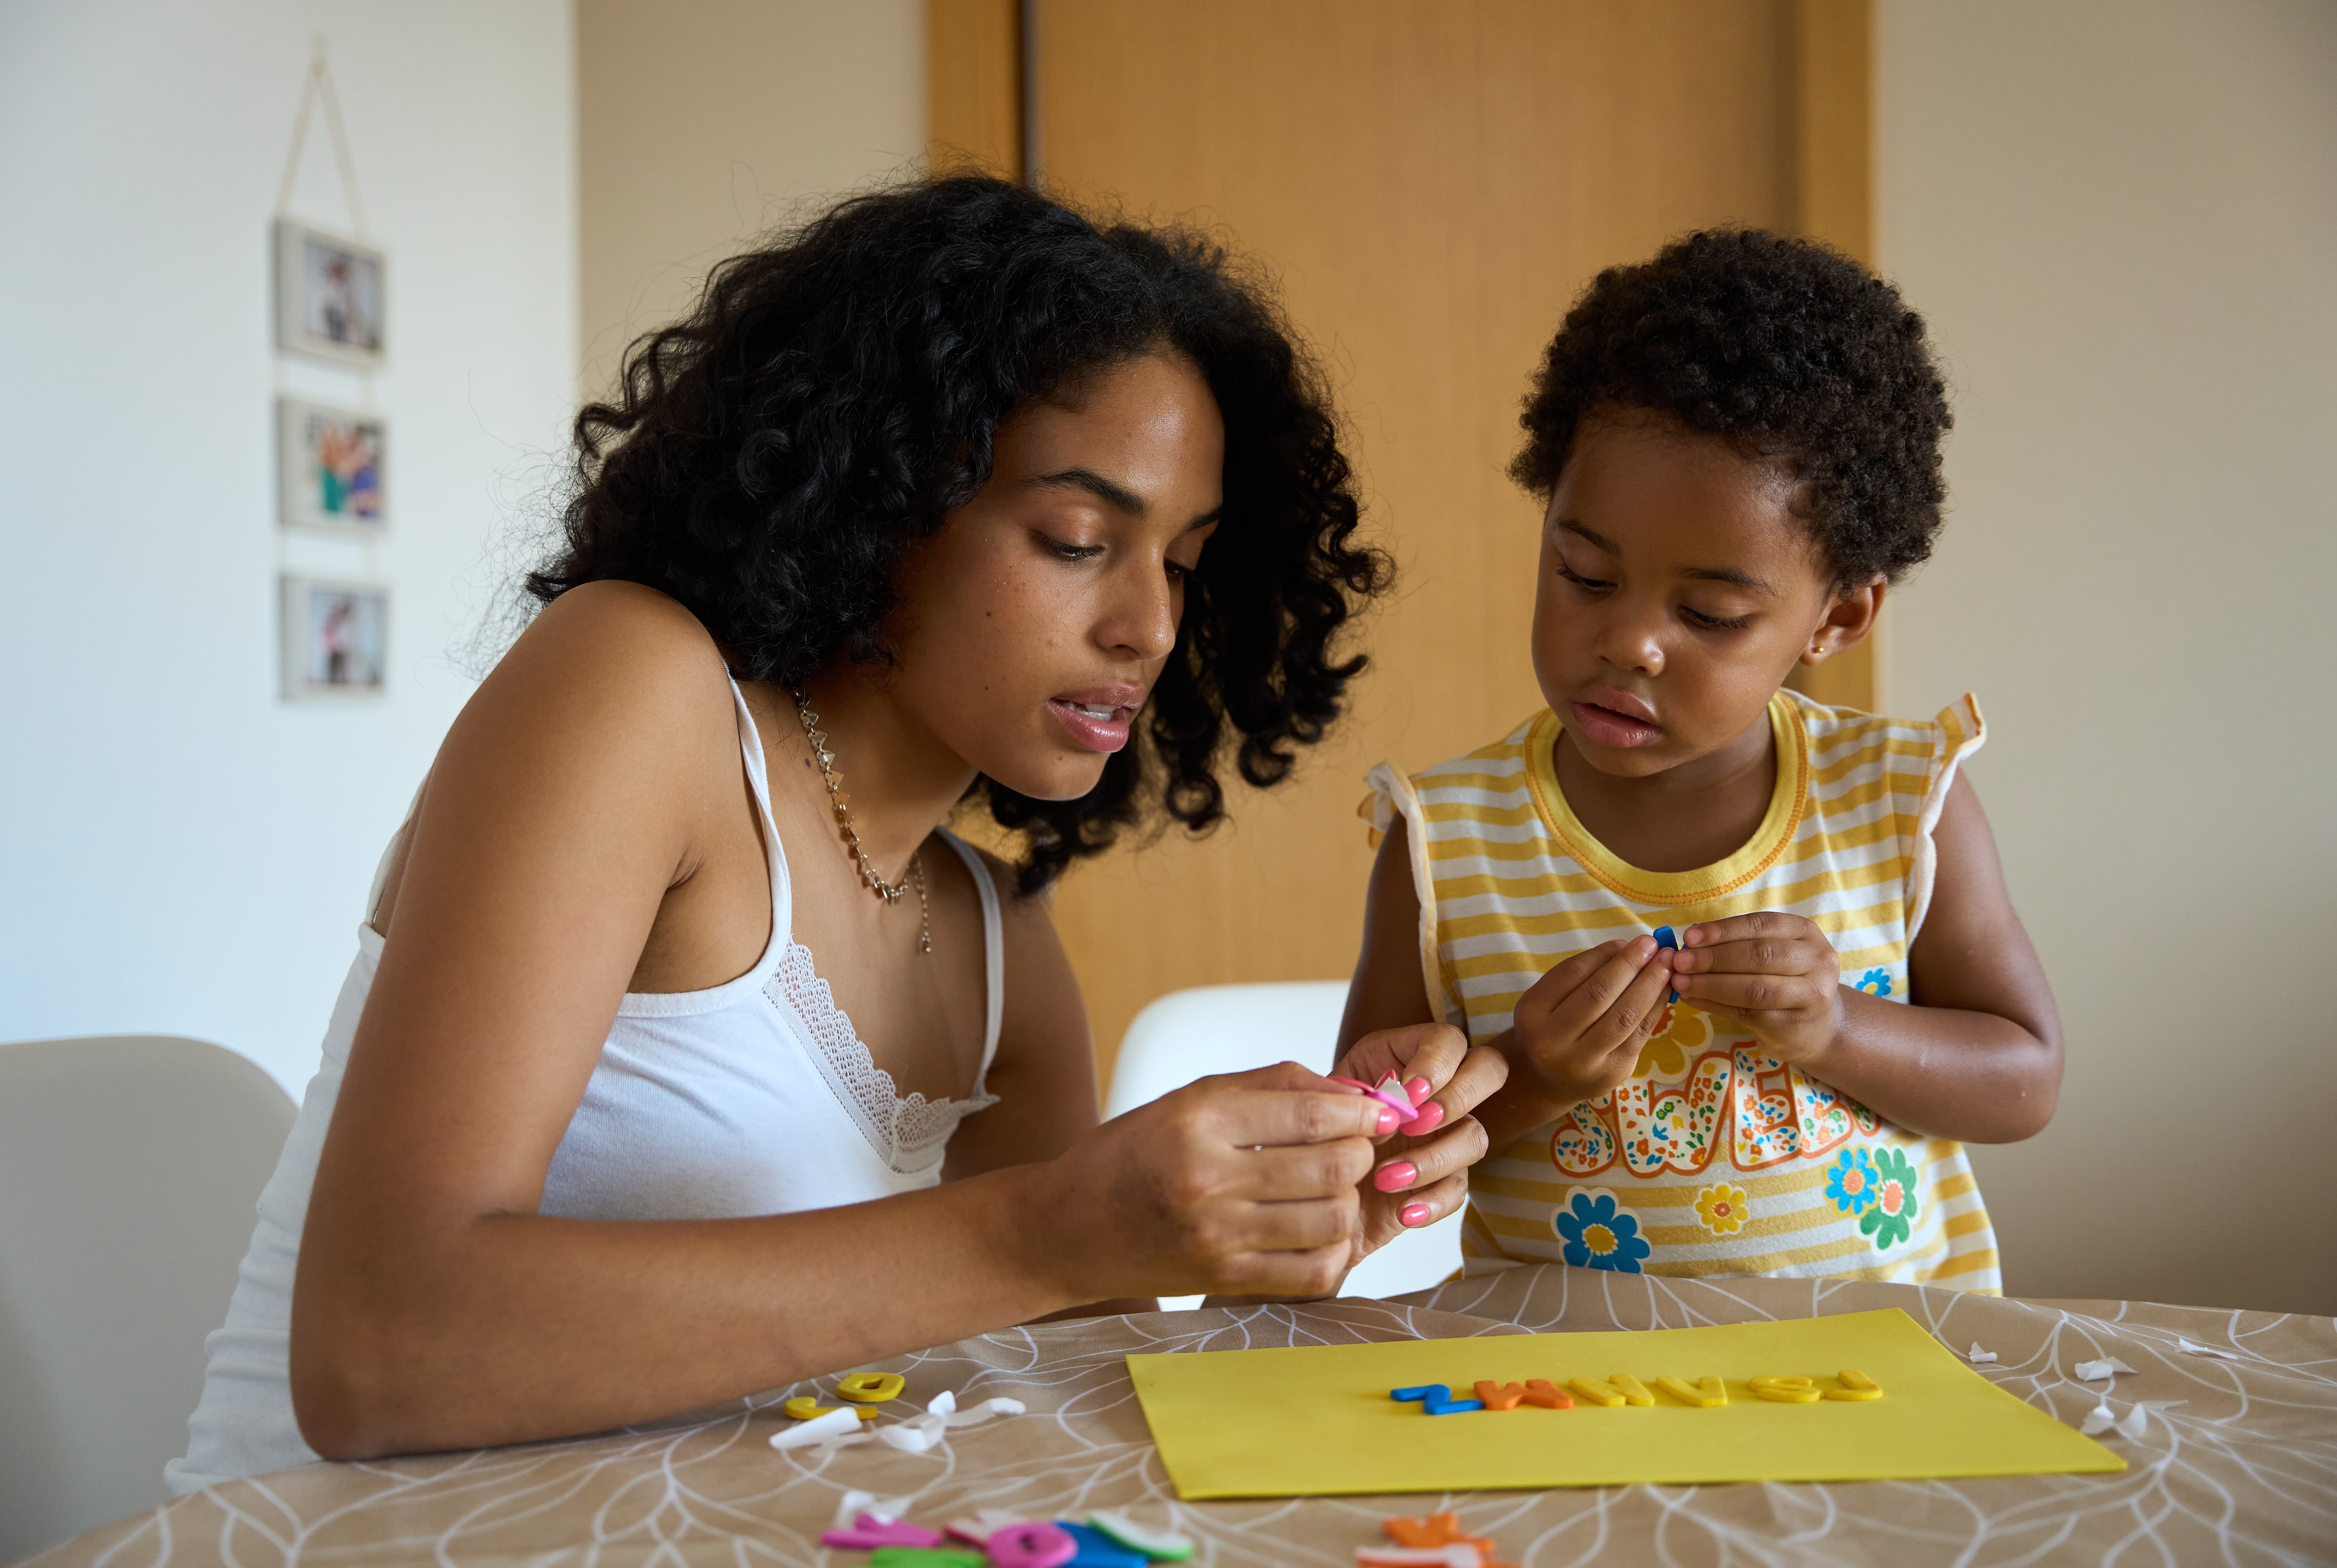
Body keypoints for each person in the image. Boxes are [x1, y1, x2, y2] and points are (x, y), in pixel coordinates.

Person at [171, 177, 1504, 1491]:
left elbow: (1058, 1422)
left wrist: (1269, 1215)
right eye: (1077, 535)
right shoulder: (638, 693)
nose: (1148, 627)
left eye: (1185, 562)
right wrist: (1052, 1228)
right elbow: (379, 1348)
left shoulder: (1000, 951)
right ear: (880, 497)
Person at [1341, 229, 2060, 1292]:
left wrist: (1838, 1024)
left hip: (1876, 1387)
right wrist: (1534, 1075)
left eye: (1710, 612)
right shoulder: (1446, 842)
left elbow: (2024, 1081)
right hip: (1560, 1388)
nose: (1630, 640)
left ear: (1839, 615)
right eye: (1585, 575)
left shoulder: (1900, 805)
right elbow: (1370, 1153)